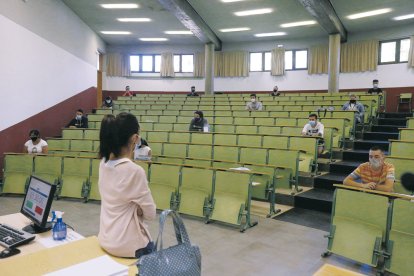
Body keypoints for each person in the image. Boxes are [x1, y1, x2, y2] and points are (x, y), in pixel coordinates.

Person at [98, 112, 156, 258]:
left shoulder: (103, 164)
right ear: (135, 138)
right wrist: (136, 209)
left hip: (105, 239)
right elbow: (150, 214)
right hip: (129, 247)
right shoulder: (135, 171)